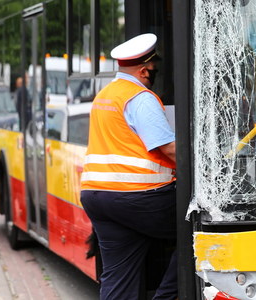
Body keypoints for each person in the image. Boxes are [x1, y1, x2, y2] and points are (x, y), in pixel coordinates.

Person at [80, 33, 177, 300]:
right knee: (198, 228)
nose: (154, 73)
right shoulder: (140, 98)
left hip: (96, 196)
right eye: (154, 69)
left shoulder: (105, 95)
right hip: (137, 197)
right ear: (145, 69)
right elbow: (167, 147)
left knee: (118, 275)